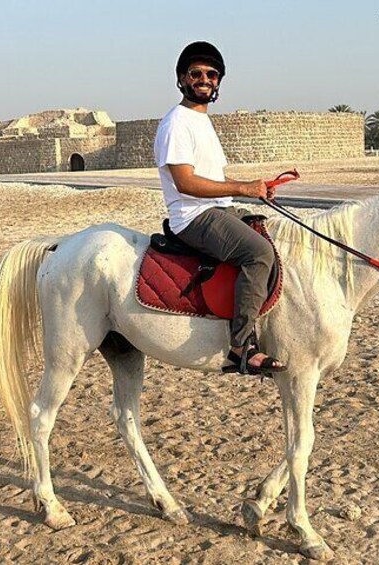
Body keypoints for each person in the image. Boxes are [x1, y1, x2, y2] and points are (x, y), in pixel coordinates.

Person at [153, 40, 286, 375]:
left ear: (218, 82)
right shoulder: (177, 123)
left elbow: (212, 178)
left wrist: (256, 192)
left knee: (274, 233)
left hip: (216, 209)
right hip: (193, 216)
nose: (204, 79)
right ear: (182, 79)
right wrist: (242, 188)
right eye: (195, 73)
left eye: (211, 74)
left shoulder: (202, 121)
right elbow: (186, 182)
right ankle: (241, 345)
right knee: (258, 254)